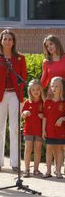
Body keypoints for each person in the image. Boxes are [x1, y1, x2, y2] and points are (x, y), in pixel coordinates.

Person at [0, 29, 27, 173]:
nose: (7, 41)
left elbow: (23, 77)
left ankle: (15, 162)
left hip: (15, 96)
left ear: (13, 42)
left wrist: (17, 89)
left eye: (10, 39)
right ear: (0, 41)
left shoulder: (20, 58)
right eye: (4, 39)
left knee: (15, 129)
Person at [40, 35, 65, 175]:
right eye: (47, 46)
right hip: (52, 101)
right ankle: (54, 168)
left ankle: (60, 167)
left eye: (51, 44)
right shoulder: (46, 62)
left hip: (64, 98)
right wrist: (43, 98)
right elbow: (43, 81)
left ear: (57, 43)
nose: (49, 48)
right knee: (54, 133)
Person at [42, 77, 65, 179]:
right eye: (52, 86)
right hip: (49, 130)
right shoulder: (47, 102)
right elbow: (45, 118)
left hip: (61, 130)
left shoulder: (64, 102)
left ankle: (59, 171)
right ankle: (48, 171)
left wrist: (62, 118)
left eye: (57, 86)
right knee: (49, 149)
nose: (54, 88)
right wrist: (43, 130)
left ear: (61, 88)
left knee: (59, 149)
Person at [21, 79, 45, 177]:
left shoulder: (43, 102)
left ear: (41, 90)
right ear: (29, 91)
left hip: (39, 130)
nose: (35, 92)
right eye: (33, 90)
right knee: (28, 149)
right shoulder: (27, 102)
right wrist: (24, 113)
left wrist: (43, 115)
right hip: (29, 130)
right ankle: (26, 169)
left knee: (38, 149)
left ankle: (36, 169)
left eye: (37, 89)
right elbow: (22, 115)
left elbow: (46, 115)